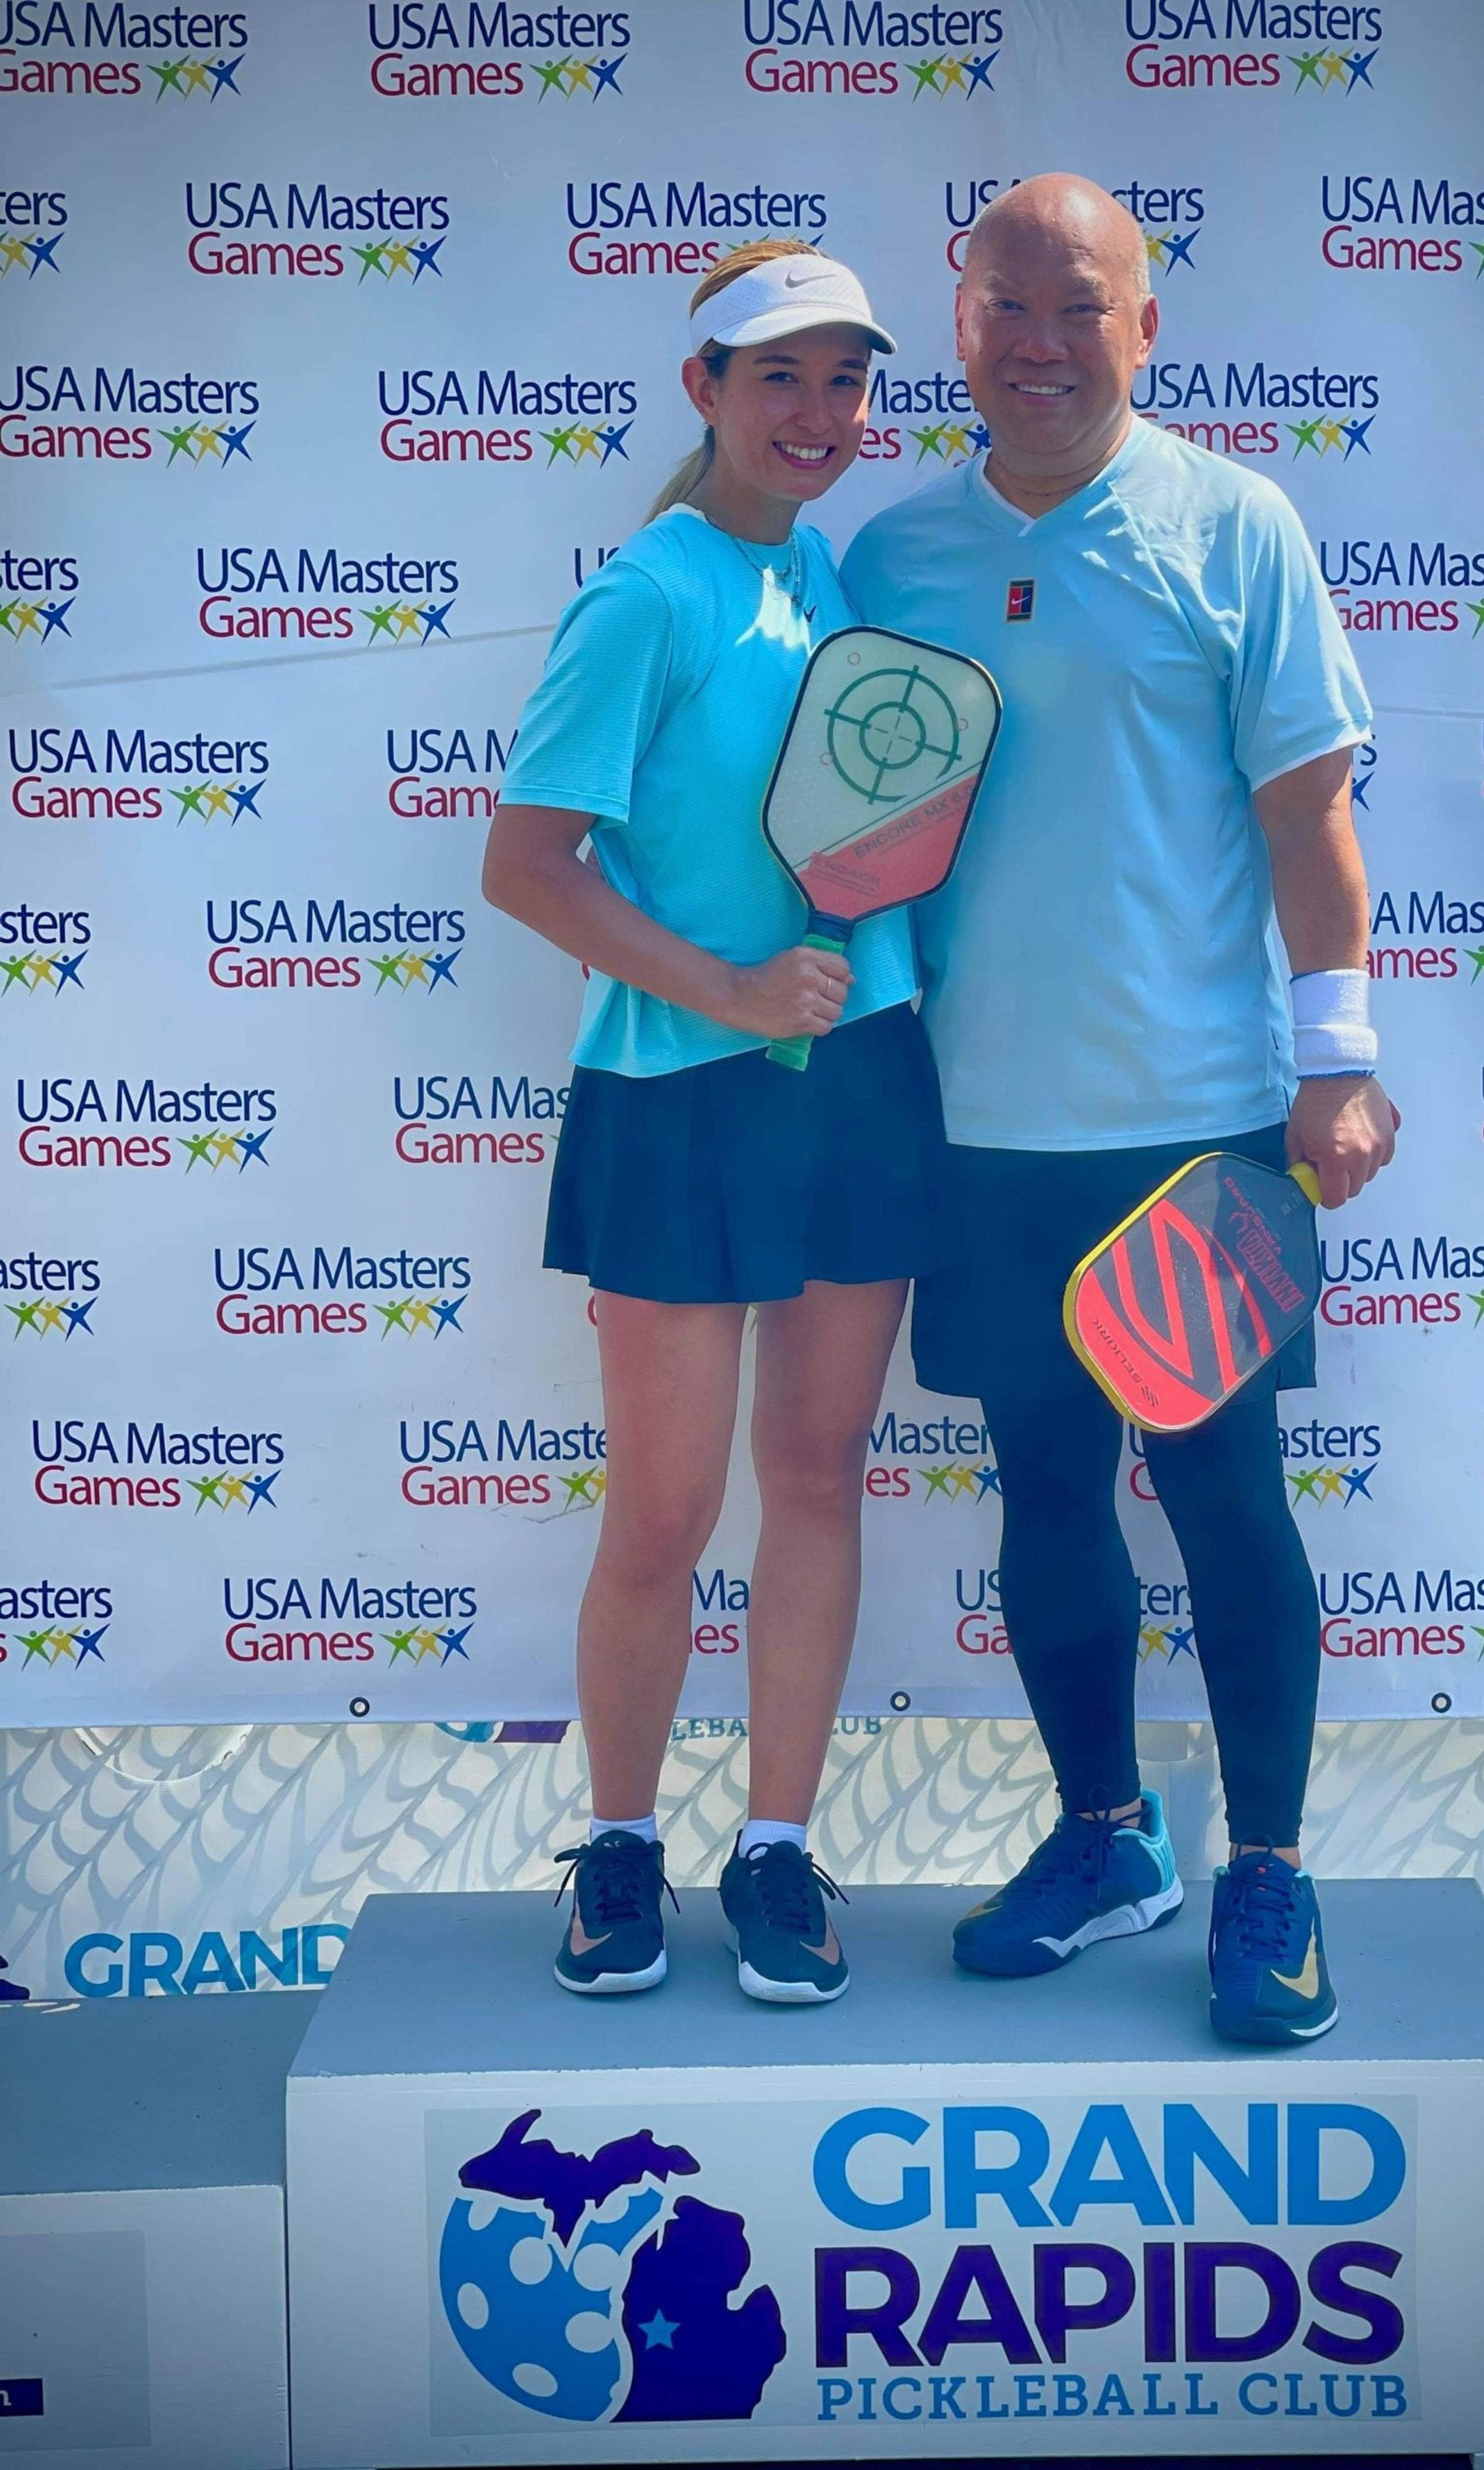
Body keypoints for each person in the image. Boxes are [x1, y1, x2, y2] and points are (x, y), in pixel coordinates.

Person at [842, 175, 1398, 2045]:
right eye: (1008, 303)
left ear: (1145, 329)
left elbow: (1311, 816)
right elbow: (852, 836)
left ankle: (1269, 1870)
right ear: (960, 323)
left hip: (1199, 1127)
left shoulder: (1235, 524)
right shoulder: (893, 558)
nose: (1042, 340)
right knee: (1047, 1491)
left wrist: (1340, 1055)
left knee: (1228, 1493)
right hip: (983, 1125)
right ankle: (1107, 1837)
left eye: (1080, 306)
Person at [482, 241, 940, 2007]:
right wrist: (730, 993)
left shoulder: (829, 583)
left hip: (861, 1080)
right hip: (678, 1097)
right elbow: (526, 866)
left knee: (815, 1478)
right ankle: (615, 1845)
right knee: (664, 1513)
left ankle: (776, 1847)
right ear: (706, 393)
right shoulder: (649, 595)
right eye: (780, 379)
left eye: (845, 381)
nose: (819, 414)